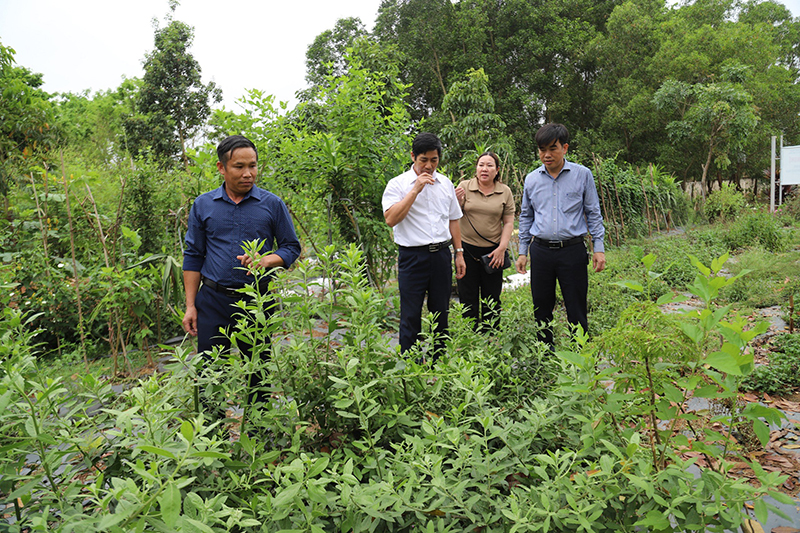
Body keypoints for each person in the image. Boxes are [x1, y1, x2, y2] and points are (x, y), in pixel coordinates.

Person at [182, 135, 301, 409]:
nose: (248, 173)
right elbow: (193, 255)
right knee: (211, 373)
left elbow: (291, 247)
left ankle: (258, 435)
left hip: (256, 300)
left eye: (253, 165)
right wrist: (190, 305)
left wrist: (266, 260)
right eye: (239, 166)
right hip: (213, 299)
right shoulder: (203, 205)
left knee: (257, 370)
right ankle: (214, 438)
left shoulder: (271, 205)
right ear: (221, 168)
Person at [515, 123, 606, 348]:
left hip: (572, 251)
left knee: (576, 307)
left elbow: (593, 212)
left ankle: (581, 357)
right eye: (542, 149)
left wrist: (599, 247)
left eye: (552, 148)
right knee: (541, 307)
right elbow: (526, 216)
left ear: (564, 148)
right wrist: (522, 252)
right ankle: (545, 357)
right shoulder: (532, 179)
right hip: (541, 251)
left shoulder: (582, 175)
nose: (546, 155)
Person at [382, 132, 466, 357]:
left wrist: (458, 253)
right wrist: (415, 189)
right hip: (412, 257)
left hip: (440, 255)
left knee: (441, 312)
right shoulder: (397, 185)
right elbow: (391, 219)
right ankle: (410, 366)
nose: (429, 166)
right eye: (424, 160)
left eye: (434, 160)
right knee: (410, 314)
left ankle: (440, 364)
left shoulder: (445, 183)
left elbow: (453, 219)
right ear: (413, 157)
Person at [454, 152, 515, 330]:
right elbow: (453, 216)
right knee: (467, 297)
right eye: (481, 165)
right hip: (466, 251)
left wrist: (502, 248)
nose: (484, 169)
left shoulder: (505, 191)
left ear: (497, 170)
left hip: (493, 253)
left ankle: (492, 339)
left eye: (489, 165)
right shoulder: (464, 186)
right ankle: (470, 338)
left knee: (492, 298)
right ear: (476, 168)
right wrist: (457, 202)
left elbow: (509, 222)